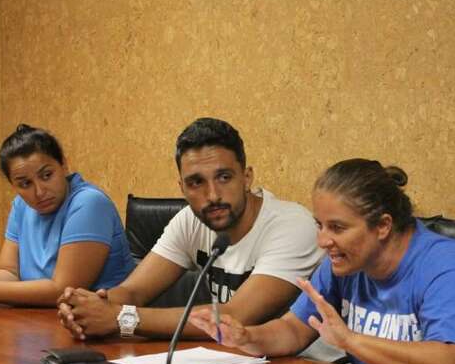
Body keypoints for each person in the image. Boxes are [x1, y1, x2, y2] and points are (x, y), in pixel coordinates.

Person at [190, 158, 455, 364]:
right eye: (320, 225)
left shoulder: (445, 265)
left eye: (337, 228)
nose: (323, 241)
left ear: (383, 226)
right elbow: (294, 330)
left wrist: (351, 340)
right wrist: (246, 337)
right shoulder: (345, 262)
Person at [58, 117, 323, 339]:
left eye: (224, 177)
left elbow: (236, 316)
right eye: (196, 183)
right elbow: (134, 291)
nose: (213, 195)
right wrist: (86, 306)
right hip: (235, 362)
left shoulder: (292, 225)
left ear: (246, 178)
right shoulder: (191, 220)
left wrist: (122, 318)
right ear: (182, 188)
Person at [0, 124, 135, 307]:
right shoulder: (21, 205)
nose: (39, 192)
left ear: (64, 165)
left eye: (47, 175)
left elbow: (63, 290)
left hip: (105, 326)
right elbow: (9, 272)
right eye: (25, 184)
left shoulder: (89, 203)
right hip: (42, 321)